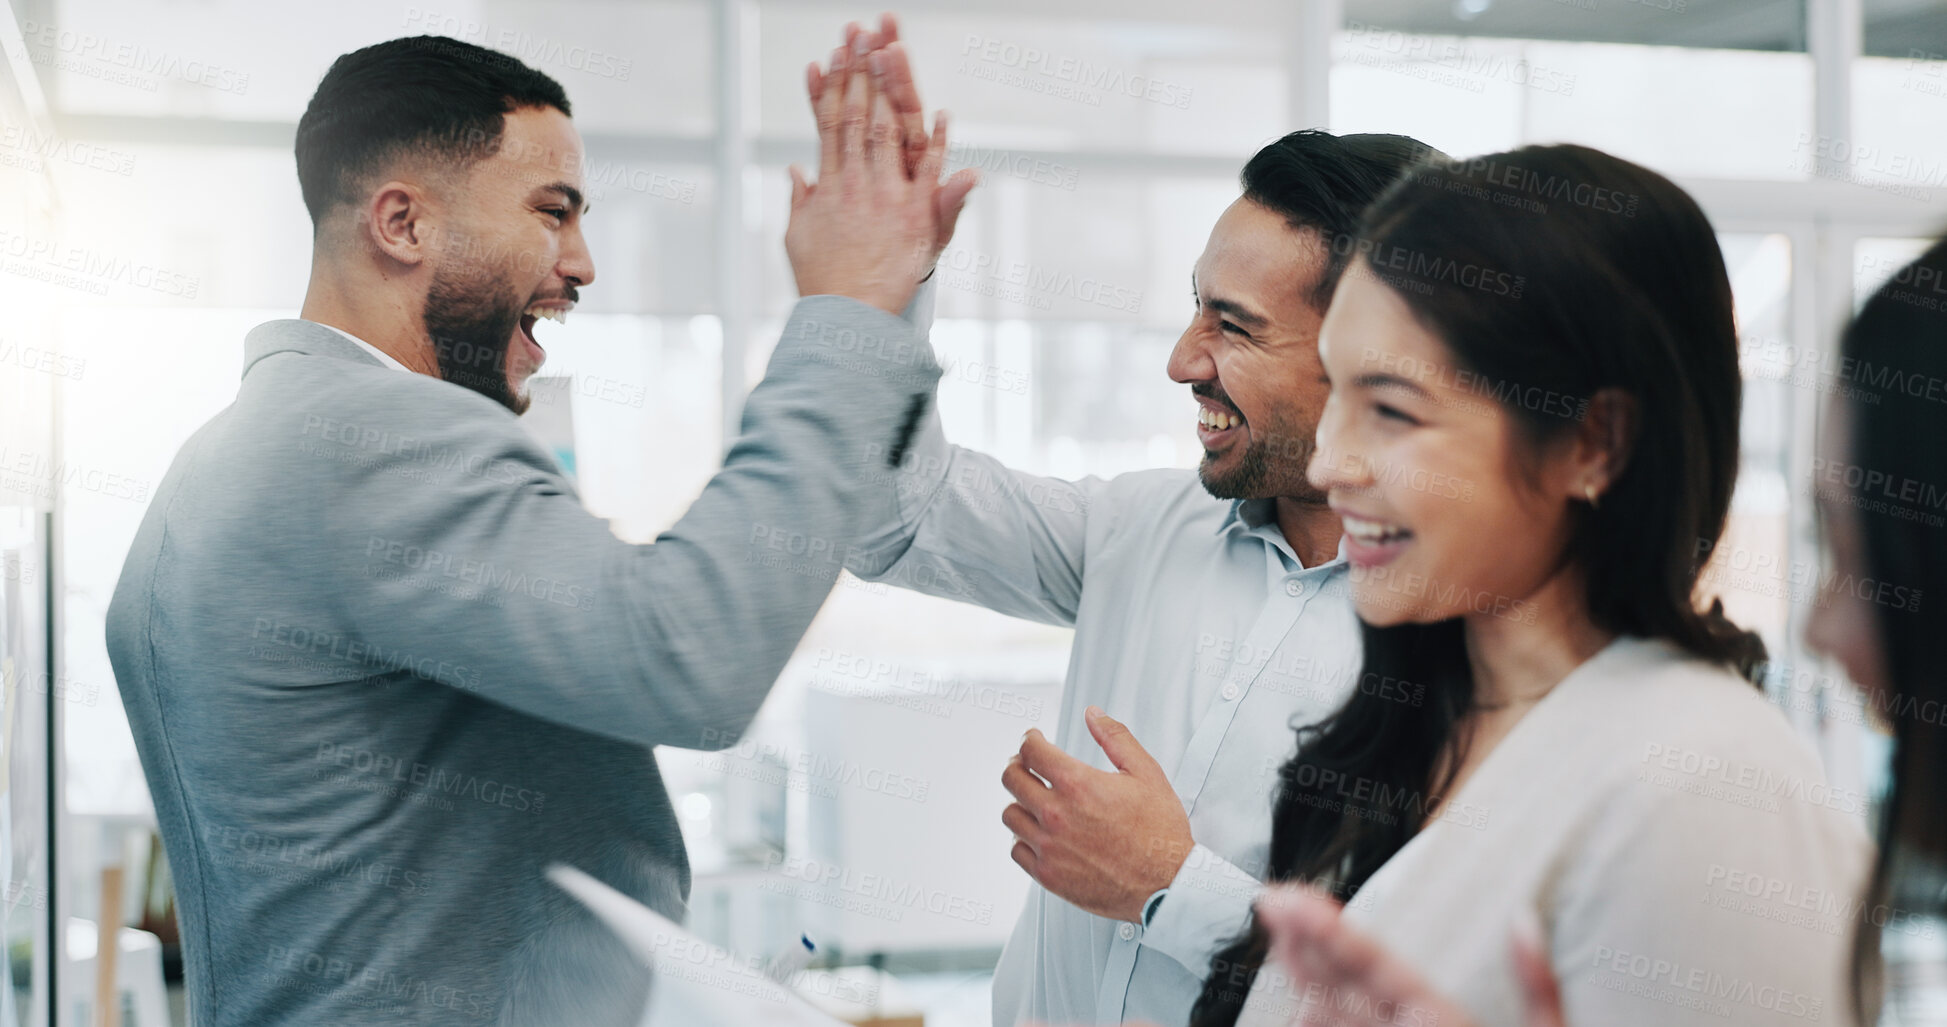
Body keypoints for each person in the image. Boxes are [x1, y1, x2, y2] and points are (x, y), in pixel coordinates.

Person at [104, 34, 965, 1026]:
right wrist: (851, 311)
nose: (582, 263)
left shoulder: (245, 447)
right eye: (550, 212)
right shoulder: (370, 441)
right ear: (401, 222)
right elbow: (686, 651)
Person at [809, 21, 1440, 1027]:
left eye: (1231, 324)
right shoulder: (1147, 526)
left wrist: (1168, 884)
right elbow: (890, 518)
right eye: (1196, 309)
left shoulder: (1473, 646)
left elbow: (1422, 996)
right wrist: (890, 292)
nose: (1183, 361)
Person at [1188, 144, 1871, 1027]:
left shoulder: (1705, 788)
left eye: (1391, 409)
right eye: (1338, 393)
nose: (1328, 460)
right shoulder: (1415, 718)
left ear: (1595, 443)